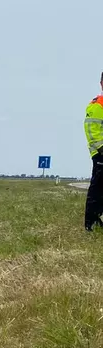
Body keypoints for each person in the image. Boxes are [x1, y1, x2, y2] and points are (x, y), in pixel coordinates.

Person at [84, 72, 103, 230]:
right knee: (97, 190)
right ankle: (91, 224)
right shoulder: (97, 104)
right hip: (101, 154)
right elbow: (92, 131)